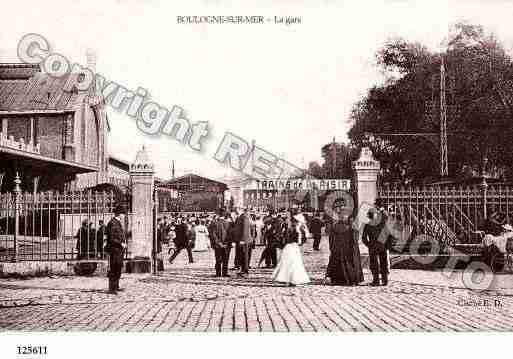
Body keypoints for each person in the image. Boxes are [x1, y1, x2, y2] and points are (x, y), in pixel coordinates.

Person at [272, 213, 310, 286]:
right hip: (294, 247)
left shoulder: (291, 229)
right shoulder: (298, 230)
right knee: (294, 263)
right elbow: (300, 242)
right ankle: (292, 279)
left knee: (288, 263)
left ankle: (288, 279)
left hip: (289, 246)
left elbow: (286, 238)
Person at [326, 212, 364, 286]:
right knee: (349, 264)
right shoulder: (351, 227)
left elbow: (331, 239)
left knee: (338, 264)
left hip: (338, 249)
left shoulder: (335, 226)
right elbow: (355, 239)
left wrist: (332, 248)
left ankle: (338, 280)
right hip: (348, 249)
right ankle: (351, 280)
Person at [362, 208, 392, 286]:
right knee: (384, 263)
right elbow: (390, 235)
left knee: (374, 264)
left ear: (369, 216)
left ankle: (376, 281)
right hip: (383, 246)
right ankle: (385, 281)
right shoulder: (383, 223)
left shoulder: (368, 225)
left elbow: (364, 238)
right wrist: (388, 245)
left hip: (373, 247)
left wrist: (369, 245)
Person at [105, 206, 126, 294]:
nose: (124, 216)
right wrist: (121, 243)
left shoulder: (117, 222)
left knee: (118, 267)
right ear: (119, 214)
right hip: (114, 249)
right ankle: (111, 288)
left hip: (119, 250)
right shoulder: (113, 223)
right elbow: (112, 237)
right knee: (113, 268)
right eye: (123, 214)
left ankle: (116, 286)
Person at [209, 210, 232, 277]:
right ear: (225, 216)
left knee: (218, 259)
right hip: (226, 244)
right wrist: (227, 243)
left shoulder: (214, 223)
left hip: (218, 245)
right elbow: (230, 234)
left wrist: (218, 243)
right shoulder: (229, 224)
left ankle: (218, 273)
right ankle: (225, 273)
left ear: (218, 215)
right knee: (226, 259)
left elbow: (213, 235)